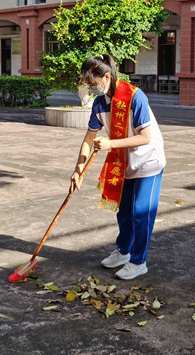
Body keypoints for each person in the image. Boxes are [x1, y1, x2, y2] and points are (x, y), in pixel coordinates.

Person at [70, 54, 166, 280]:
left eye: (93, 83)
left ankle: (138, 261)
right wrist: (78, 170)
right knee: (124, 212)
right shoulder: (99, 104)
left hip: (148, 161)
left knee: (141, 214)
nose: (91, 88)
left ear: (106, 77)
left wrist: (111, 143)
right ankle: (123, 252)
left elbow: (145, 137)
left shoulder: (134, 96)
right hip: (123, 162)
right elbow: (88, 139)